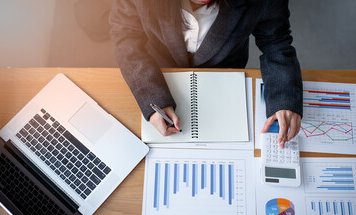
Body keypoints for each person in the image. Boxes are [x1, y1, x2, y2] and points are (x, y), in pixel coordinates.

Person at [109, 0, 302, 148]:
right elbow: (126, 36)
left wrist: (284, 97)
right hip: (160, 67)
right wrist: (151, 97)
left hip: (225, 71)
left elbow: (275, 41)